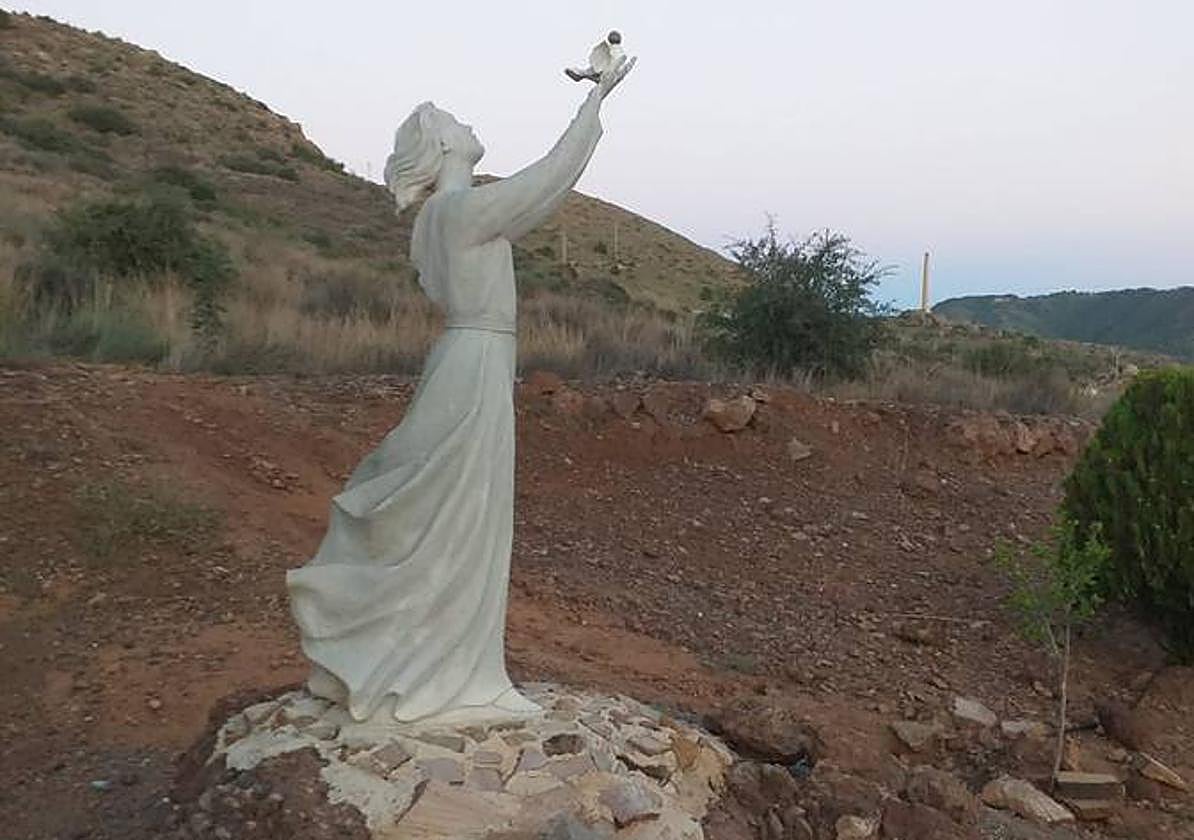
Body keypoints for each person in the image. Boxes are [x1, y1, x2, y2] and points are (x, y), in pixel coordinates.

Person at [287, 55, 636, 724]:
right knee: (461, 519)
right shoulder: (458, 212)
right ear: (444, 147)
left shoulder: (437, 218)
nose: (469, 123)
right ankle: (446, 677)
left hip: (470, 358)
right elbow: (546, 183)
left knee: (451, 518)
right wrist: (596, 103)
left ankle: (438, 665)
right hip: (474, 363)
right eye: (456, 122)